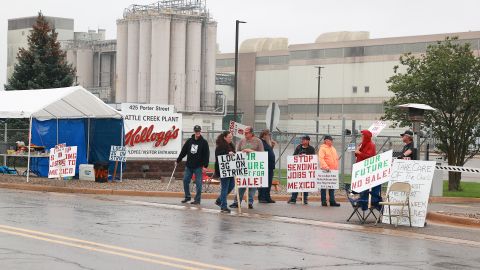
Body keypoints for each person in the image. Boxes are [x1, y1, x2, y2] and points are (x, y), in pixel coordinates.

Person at [230, 126, 264, 209]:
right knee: (242, 184)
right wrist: (240, 152)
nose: (245, 134)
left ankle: (250, 202)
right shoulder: (242, 141)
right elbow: (237, 152)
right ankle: (237, 202)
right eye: (244, 132)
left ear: (251, 133)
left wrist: (251, 151)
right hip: (243, 165)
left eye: (247, 132)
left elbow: (262, 153)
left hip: (253, 166)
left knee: (252, 185)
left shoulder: (258, 141)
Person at [176, 125, 210, 205]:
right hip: (189, 166)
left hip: (198, 167)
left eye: (199, 131)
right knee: (185, 181)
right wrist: (178, 160)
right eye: (196, 131)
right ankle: (187, 197)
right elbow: (183, 151)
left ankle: (197, 200)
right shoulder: (189, 141)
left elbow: (206, 155)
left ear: (200, 131)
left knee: (198, 184)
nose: (197, 132)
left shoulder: (204, 142)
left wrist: (205, 166)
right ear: (194, 131)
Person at [355, 130, 381, 210]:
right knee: (361, 187)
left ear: (366, 136)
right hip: (360, 168)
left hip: (367, 169)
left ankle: (366, 202)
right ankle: (362, 202)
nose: (362, 137)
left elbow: (370, 157)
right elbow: (357, 153)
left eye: (363, 135)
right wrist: (357, 151)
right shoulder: (361, 144)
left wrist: (359, 153)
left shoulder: (371, 145)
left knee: (366, 187)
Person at [287, 135, 316, 204]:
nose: (302, 141)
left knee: (305, 184)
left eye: (304, 140)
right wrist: (298, 156)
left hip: (306, 171)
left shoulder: (311, 149)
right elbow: (294, 156)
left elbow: (313, 159)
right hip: (298, 170)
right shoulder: (298, 147)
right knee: (297, 183)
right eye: (302, 139)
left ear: (308, 141)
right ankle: (293, 198)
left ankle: (305, 199)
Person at [214, 131, 236, 213]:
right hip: (223, 170)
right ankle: (223, 206)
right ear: (225, 137)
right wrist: (227, 153)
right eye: (229, 137)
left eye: (231, 137)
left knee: (232, 185)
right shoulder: (220, 146)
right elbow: (218, 156)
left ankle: (219, 200)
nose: (231, 138)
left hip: (231, 169)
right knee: (225, 187)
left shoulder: (231, 145)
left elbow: (234, 154)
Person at [318, 135, 340, 207]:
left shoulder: (333, 148)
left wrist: (336, 168)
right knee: (324, 186)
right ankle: (323, 201)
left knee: (332, 186)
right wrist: (326, 167)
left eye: (332, 140)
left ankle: (332, 201)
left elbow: (336, 158)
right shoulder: (322, 148)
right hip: (325, 170)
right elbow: (321, 158)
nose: (331, 141)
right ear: (326, 141)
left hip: (333, 170)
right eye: (330, 140)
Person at [258, 129, 276, 203]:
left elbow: (269, 151)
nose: (270, 136)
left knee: (269, 182)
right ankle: (262, 197)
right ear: (264, 135)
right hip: (264, 165)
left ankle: (267, 197)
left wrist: (272, 146)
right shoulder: (260, 142)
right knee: (263, 182)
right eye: (269, 135)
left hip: (270, 165)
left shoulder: (267, 142)